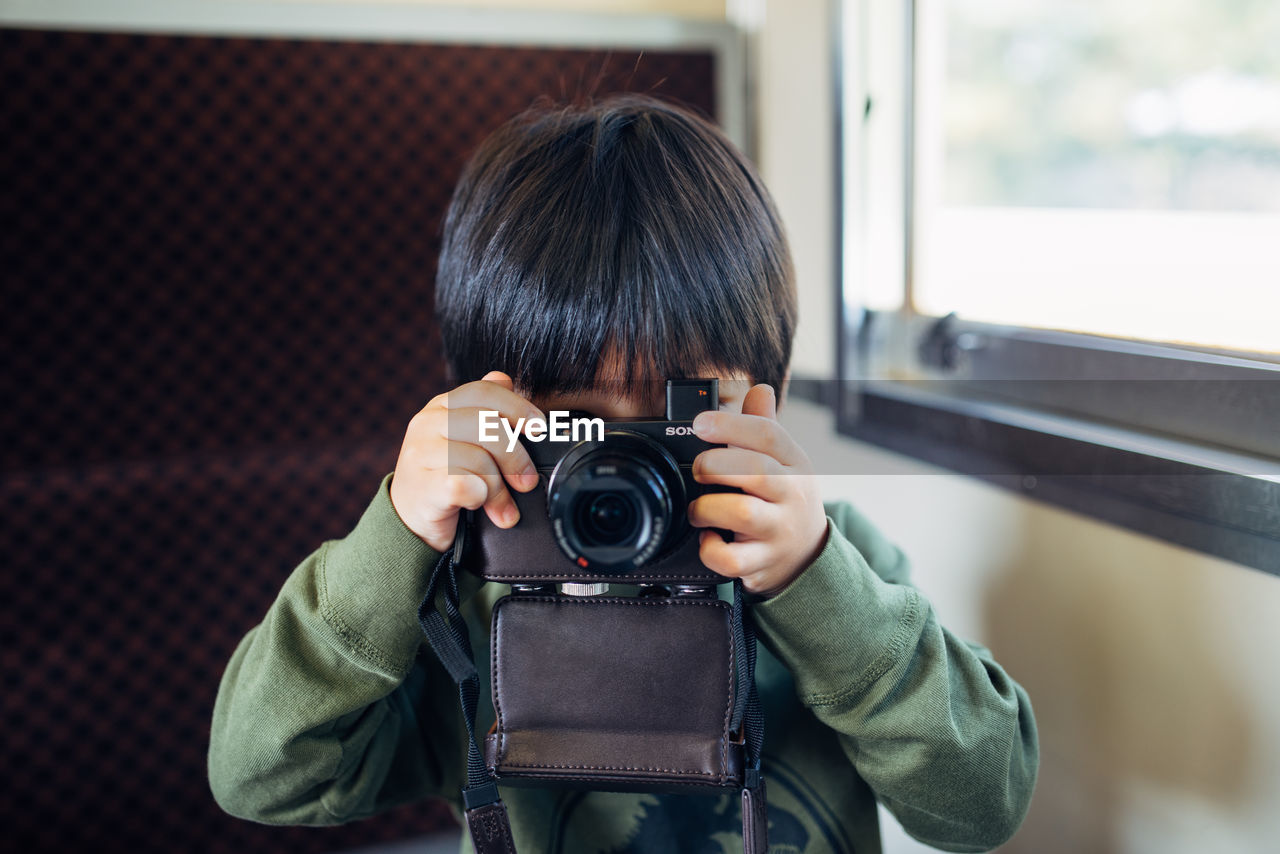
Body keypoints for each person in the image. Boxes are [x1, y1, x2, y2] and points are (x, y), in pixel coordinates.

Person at [209, 94, 1038, 854]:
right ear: (481, 412)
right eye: (574, 426)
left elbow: (981, 803)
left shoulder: (823, 567)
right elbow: (263, 777)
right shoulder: (466, 593)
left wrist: (816, 584)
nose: (622, 468)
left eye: (672, 416)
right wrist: (395, 536)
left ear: (764, 404)